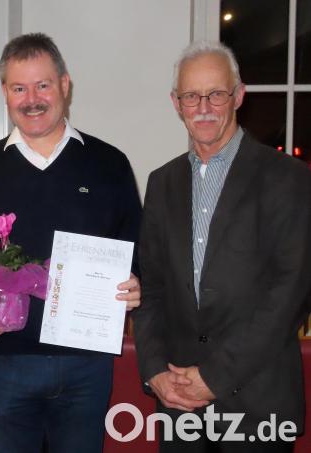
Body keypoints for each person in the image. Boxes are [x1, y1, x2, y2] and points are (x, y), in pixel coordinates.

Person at [0, 33, 142, 453]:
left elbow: (138, 249)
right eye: (19, 88)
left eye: (43, 85)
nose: (32, 99)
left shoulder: (109, 163)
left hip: (86, 365)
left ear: (65, 85)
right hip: (6, 363)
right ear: (5, 92)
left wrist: (136, 283)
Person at [133, 41, 311, 452]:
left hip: (256, 402)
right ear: (176, 103)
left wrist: (214, 377)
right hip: (179, 404)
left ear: (239, 95)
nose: (204, 107)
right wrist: (155, 370)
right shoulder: (163, 183)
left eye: (216, 93)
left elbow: (290, 294)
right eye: (191, 96)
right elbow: (152, 287)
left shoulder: (288, 178)